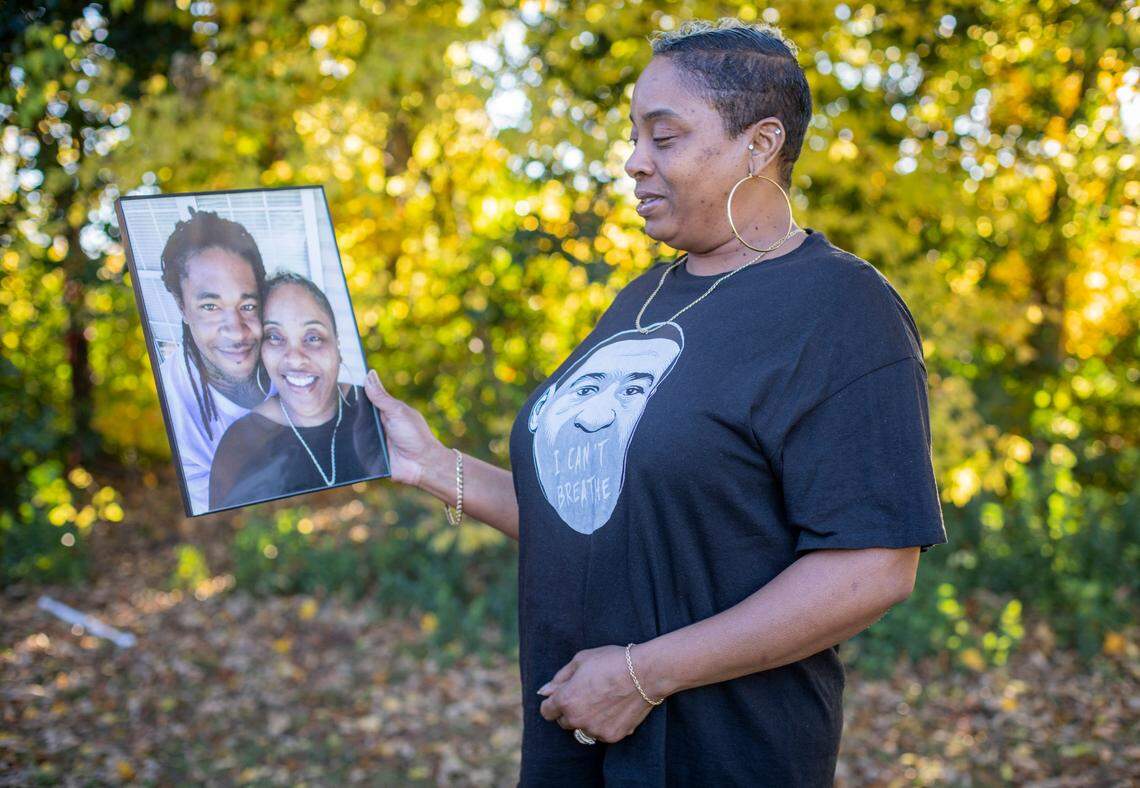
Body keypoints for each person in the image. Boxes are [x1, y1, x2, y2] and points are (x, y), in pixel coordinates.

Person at [362, 18, 947, 786]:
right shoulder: (644, 300)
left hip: (724, 755)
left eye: (663, 138)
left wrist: (644, 673)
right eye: (634, 137)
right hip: (576, 741)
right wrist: (432, 465)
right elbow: (591, 512)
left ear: (760, 144)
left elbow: (873, 566)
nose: (634, 163)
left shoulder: (841, 308)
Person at [208, 272, 387, 510]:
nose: (295, 358)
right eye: (274, 337)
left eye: (313, 337)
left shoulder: (377, 412)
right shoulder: (239, 445)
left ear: (337, 346)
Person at [157, 209, 275, 515]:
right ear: (182, 308)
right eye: (210, 305)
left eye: (247, 305)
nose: (236, 329)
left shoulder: (293, 358)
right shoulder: (171, 403)